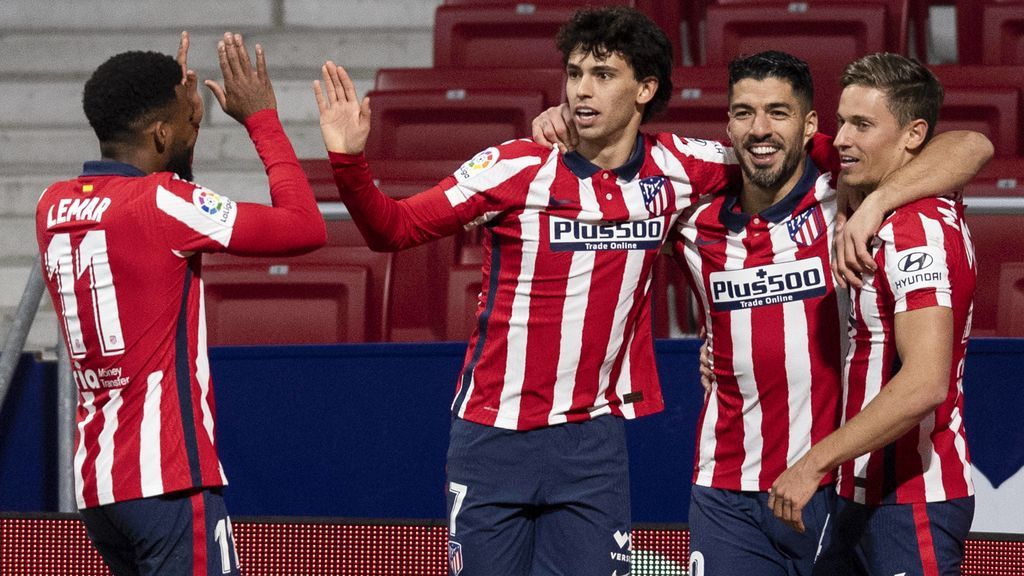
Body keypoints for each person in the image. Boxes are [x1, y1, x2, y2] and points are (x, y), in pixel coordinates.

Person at [313, 6, 745, 575]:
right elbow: (392, 229)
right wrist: (348, 160)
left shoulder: (683, 167)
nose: (581, 91)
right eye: (573, 74)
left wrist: (878, 205)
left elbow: (795, 159)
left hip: (593, 443)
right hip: (492, 436)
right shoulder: (514, 167)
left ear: (646, 88)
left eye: (602, 75)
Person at [533, 51, 990, 576]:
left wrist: (874, 200)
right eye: (743, 113)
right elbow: (607, 186)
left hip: (840, 485)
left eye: (778, 112)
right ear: (726, 123)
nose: (760, 128)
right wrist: (566, 125)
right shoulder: (694, 216)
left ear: (806, 125)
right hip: (735, 485)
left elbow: (972, 143)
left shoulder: (852, 197)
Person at [35, 32, 326, 575]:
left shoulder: (52, 206)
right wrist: (261, 118)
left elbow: (158, 216)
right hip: (168, 478)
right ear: (162, 132)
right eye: (189, 120)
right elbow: (305, 226)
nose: (198, 121)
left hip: (100, 488)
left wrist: (178, 133)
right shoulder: (164, 203)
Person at [769, 53, 978, 576]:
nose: (841, 139)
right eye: (842, 121)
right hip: (860, 496)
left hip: (910, 501)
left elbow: (925, 382)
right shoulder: (907, 201)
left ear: (913, 135)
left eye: (862, 125)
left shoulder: (915, 229)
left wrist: (812, 463)